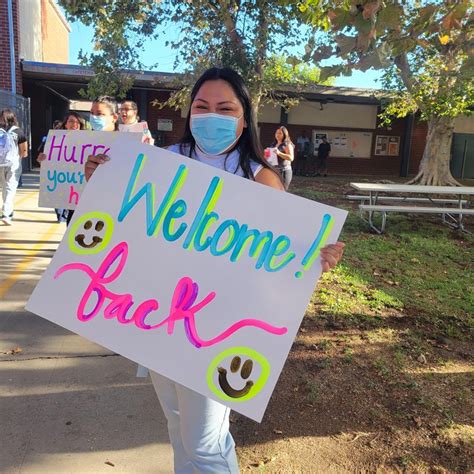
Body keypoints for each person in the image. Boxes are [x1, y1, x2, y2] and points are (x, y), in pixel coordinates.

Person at [84, 67, 345, 474]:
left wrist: (316, 258)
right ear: (190, 114)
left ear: (244, 119)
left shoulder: (260, 178)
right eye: (202, 106)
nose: (212, 116)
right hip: (158, 316)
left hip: (219, 328)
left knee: (205, 442)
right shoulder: (163, 162)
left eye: (225, 108)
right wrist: (99, 184)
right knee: (176, 425)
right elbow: (124, 223)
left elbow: (282, 254)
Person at [38, 97, 119, 226]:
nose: (94, 117)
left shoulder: (127, 144)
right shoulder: (82, 142)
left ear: (114, 117)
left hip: (111, 213)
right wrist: (48, 161)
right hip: (79, 208)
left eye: (99, 114)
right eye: (92, 113)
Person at [38, 113, 86, 222]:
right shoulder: (56, 141)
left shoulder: (88, 141)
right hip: (65, 181)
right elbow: (48, 164)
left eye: (78, 122)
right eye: (71, 121)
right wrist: (43, 160)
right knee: (70, 215)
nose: (75, 124)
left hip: (81, 183)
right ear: (65, 124)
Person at [0, 109, 29, 225]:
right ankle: (6, 214)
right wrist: (17, 158)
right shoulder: (18, 132)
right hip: (13, 164)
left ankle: (8, 211)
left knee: (5, 188)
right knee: (10, 188)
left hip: (1, 163)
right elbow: (24, 152)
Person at [270, 126, 294, 190]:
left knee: (281, 191)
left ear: (285, 134)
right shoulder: (273, 144)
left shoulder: (287, 144)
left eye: (280, 133)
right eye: (276, 133)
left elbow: (291, 158)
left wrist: (279, 153)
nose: (277, 135)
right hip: (274, 171)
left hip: (284, 171)